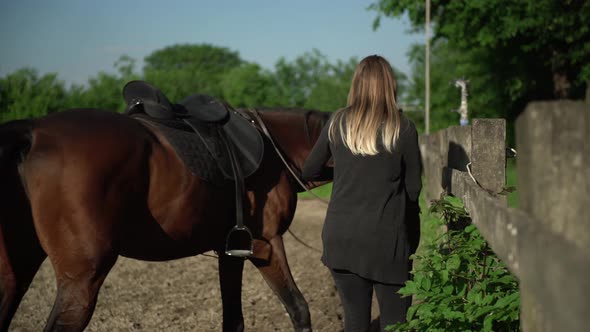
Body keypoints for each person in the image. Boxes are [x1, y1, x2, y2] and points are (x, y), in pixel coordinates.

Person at [302, 55, 422, 331]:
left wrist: (345, 172)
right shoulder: (403, 127)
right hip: (387, 242)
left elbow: (308, 171)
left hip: (341, 239)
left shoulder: (337, 122)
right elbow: (414, 190)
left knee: (355, 321)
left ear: (356, 84)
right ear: (390, 85)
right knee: (396, 324)